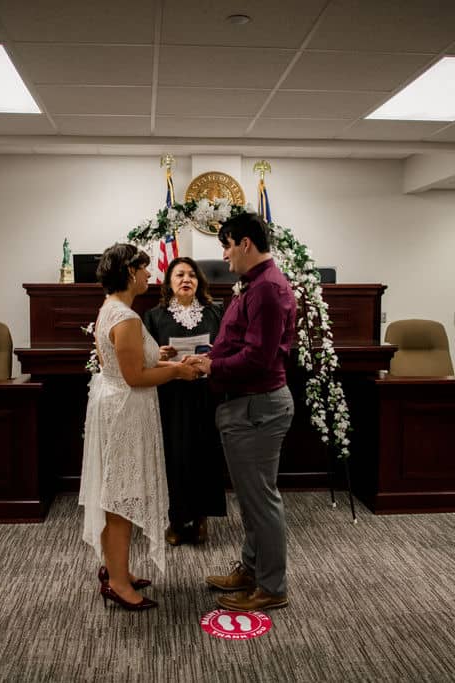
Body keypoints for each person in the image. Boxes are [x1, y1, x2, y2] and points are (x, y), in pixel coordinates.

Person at [79, 243, 202, 611]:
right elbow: (134, 376)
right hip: (125, 414)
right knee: (121, 498)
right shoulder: (128, 317)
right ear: (130, 272)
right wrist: (178, 372)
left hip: (114, 407)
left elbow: (123, 361)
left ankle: (117, 568)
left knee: (116, 493)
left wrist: (157, 355)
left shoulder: (111, 309)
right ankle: (118, 583)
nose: (151, 274)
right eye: (146, 268)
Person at [189, 213, 296, 612]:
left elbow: (258, 359)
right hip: (247, 405)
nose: (224, 254)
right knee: (253, 500)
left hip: (256, 405)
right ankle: (252, 570)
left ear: (246, 243)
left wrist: (212, 367)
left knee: (261, 502)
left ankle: (271, 587)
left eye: (227, 245)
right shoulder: (254, 284)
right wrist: (203, 356)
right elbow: (234, 341)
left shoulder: (267, 288)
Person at [142, 257, 227, 547]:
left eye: (192, 275)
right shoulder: (154, 316)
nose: (186, 279)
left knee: (205, 453)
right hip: (171, 395)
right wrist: (159, 355)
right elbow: (144, 359)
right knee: (174, 456)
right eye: (179, 275)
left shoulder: (216, 313)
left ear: (199, 282)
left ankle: (202, 519)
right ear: (169, 282)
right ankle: (176, 520)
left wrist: (212, 357)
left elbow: (227, 350)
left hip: (206, 395)